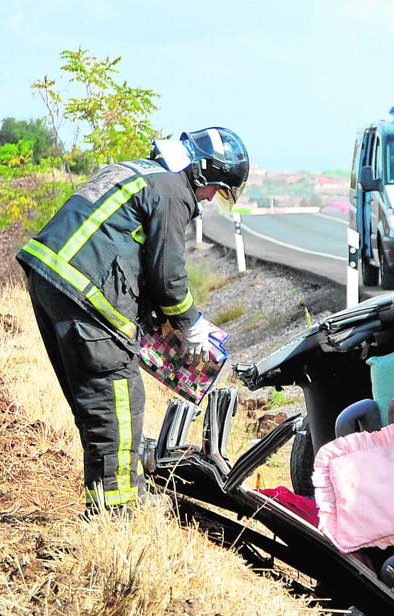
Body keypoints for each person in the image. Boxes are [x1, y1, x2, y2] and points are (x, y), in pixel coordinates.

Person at [16, 127, 249, 513]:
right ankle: (117, 513)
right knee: (117, 398)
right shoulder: (175, 190)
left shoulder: (143, 172)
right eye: (218, 190)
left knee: (96, 403)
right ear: (204, 172)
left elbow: (133, 254)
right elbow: (168, 275)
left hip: (53, 283)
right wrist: (190, 323)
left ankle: (122, 491)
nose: (210, 200)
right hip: (87, 293)